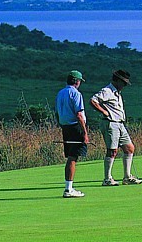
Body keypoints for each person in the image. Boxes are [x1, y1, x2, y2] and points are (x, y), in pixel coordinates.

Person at [90, 69, 142, 186]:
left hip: (119, 123)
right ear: (117, 80)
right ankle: (107, 178)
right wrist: (104, 111)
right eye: (123, 82)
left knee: (129, 148)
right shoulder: (107, 91)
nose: (124, 85)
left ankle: (127, 177)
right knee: (112, 151)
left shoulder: (117, 93)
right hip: (110, 123)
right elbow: (93, 101)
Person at [55, 70, 89, 198]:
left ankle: (69, 187)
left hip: (65, 126)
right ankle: (68, 189)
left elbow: (58, 112)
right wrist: (85, 133)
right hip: (75, 127)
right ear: (77, 81)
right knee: (73, 157)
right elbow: (79, 114)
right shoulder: (76, 93)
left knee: (71, 156)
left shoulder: (60, 93)